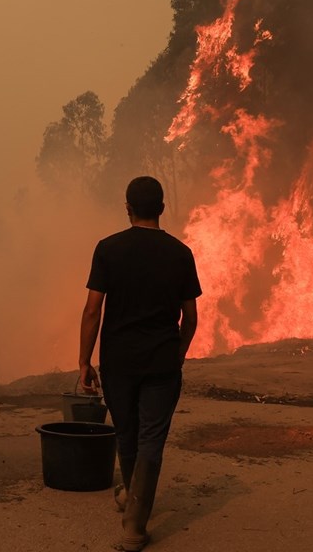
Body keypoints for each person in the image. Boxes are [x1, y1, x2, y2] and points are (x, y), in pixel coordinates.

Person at [79, 176, 201, 551]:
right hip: (161, 363)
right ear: (162, 209)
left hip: (118, 362)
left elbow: (92, 311)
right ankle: (134, 513)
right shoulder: (180, 253)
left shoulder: (108, 249)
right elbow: (190, 317)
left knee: (127, 434)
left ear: (127, 208)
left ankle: (133, 518)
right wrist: (177, 354)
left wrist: (84, 362)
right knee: (151, 439)